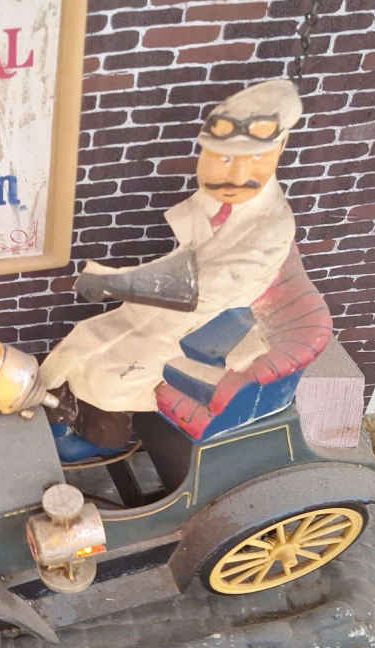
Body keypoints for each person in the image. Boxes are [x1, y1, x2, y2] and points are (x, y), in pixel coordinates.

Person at [41, 79, 307, 457]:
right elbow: (185, 261)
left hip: (212, 326)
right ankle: (63, 412)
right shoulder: (219, 203)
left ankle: (107, 438)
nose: (234, 175)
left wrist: (117, 283)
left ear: (280, 148)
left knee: (111, 371)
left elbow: (201, 289)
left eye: (254, 159)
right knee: (86, 336)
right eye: (223, 158)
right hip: (182, 311)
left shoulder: (270, 227)